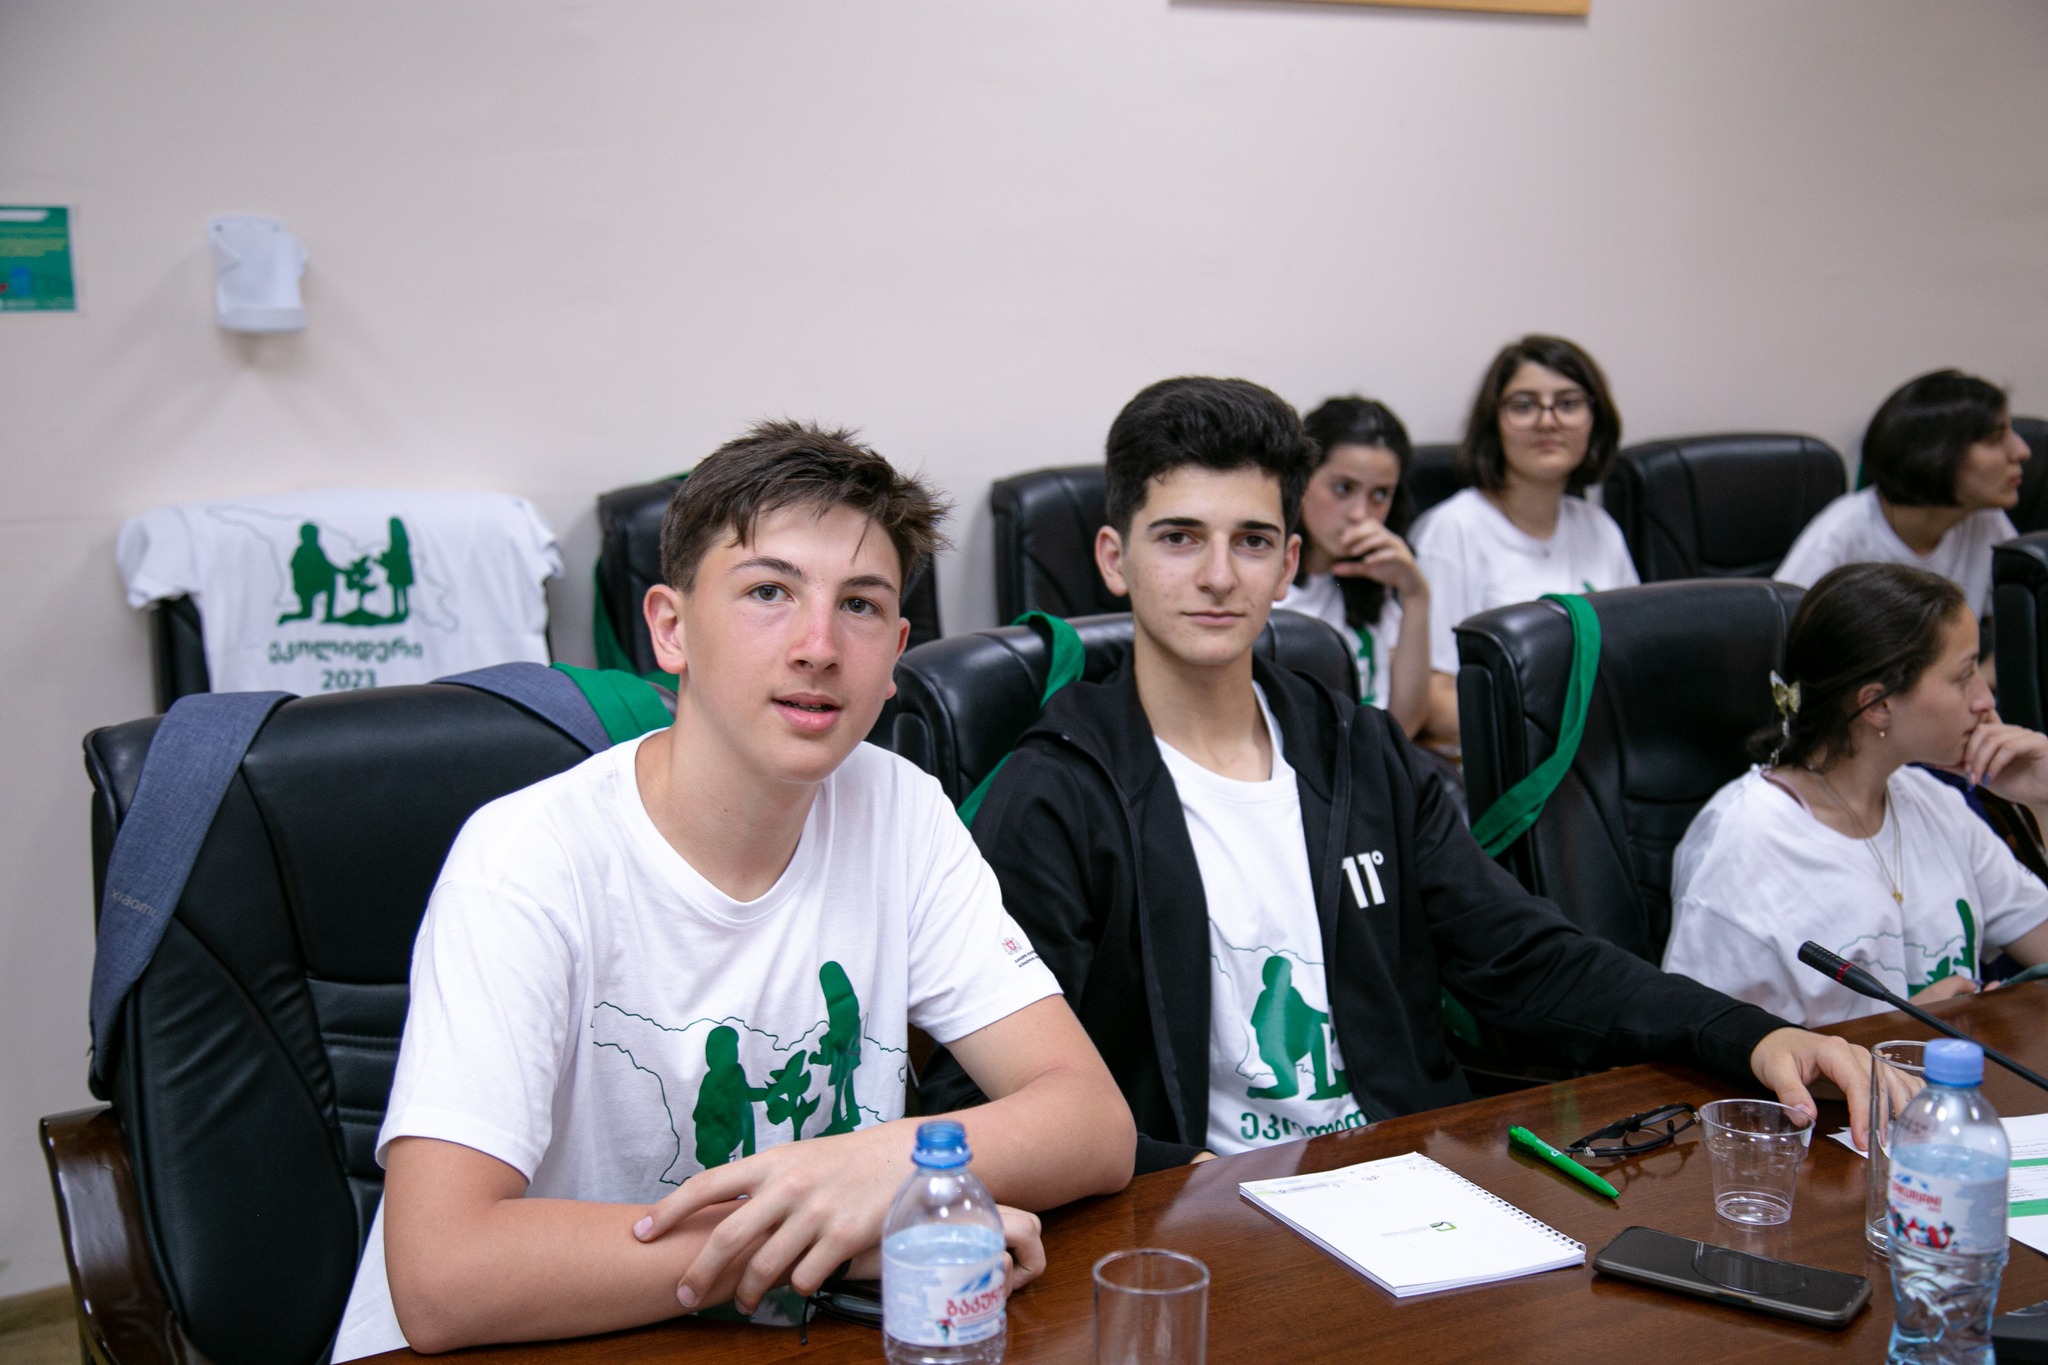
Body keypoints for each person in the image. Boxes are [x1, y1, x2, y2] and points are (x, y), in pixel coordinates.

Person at [918, 375, 1875, 1175]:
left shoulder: (1360, 750)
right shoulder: (1055, 790)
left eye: (1251, 540)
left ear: (1288, 563)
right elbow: (983, 1090)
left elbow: (1526, 955)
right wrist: (1173, 1173)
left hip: (1405, 1187)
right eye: (1178, 538)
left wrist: (1749, 1034)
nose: (1217, 575)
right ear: (1114, 559)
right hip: (1193, 1224)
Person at [333, 422, 1135, 1359]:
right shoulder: (525, 859)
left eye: (860, 605)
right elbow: (443, 1277)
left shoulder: (902, 812)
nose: (819, 645)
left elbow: (1092, 1123)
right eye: (768, 592)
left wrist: (881, 1172)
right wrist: (829, 1243)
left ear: (896, 653)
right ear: (670, 628)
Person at [1663, 563, 2048, 1026]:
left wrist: (2042, 798)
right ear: (1878, 705)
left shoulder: (1935, 804)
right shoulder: (1744, 848)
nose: (1985, 700)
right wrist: (1896, 1031)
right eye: (1964, 675)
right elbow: (1704, 1041)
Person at [1410, 335, 1638, 742]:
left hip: (1601, 755)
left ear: (1595, 420)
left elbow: (1634, 661)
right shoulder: (1452, 530)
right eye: (1524, 406)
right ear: (1493, 422)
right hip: (1505, 763)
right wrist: (1553, 737)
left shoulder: (1599, 528)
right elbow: (1433, 700)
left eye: (1568, 403)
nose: (1547, 422)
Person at [1776, 370, 2029, 620]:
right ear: (1934, 455)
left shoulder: (1987, 520)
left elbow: (2022, 619)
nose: (2022, 451)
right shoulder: (1839, 535)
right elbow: (1778, 630)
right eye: (1995, 439)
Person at [1274, 396, 1433, 737]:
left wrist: (1415, 594)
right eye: (1343, 488)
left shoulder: (1375, 576)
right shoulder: (1267, 583)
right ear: (1302, 481)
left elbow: (1404, 725)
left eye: (1380, 494)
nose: (1361, 514)